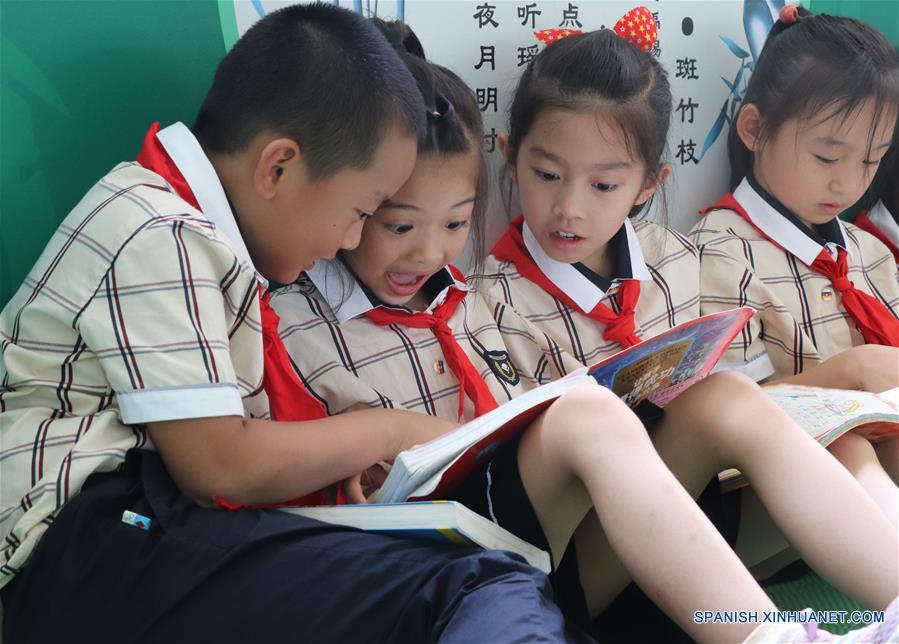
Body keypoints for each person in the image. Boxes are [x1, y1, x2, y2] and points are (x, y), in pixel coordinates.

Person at [272, 16, 899, 644]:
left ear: (649, 183)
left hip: (665, 522)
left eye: (604, 185)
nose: (571, 207)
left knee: (753, 407)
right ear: (511, 157)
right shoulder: (491, 300)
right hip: (546, 560)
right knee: (600, 415)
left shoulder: (667, 260)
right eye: (395, 224)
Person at [0, 5, 592, 642]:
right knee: (474, 583)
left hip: (138, 530)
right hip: (77, 539)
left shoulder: (184, 228)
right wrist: (390, 430)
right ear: (277, 167)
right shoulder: (159, 228)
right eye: (362, 211)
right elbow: (220, 465)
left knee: (484, 580)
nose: (351, 238)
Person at [688, 5, 899, 527]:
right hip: (764, 503)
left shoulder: (869, 253)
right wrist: (848, 373)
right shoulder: (716, 254)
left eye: (871, 160)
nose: (847, 184)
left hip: (868, 485)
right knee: (845, 440)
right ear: (755, 129)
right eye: (828, 158)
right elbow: (724, 419)